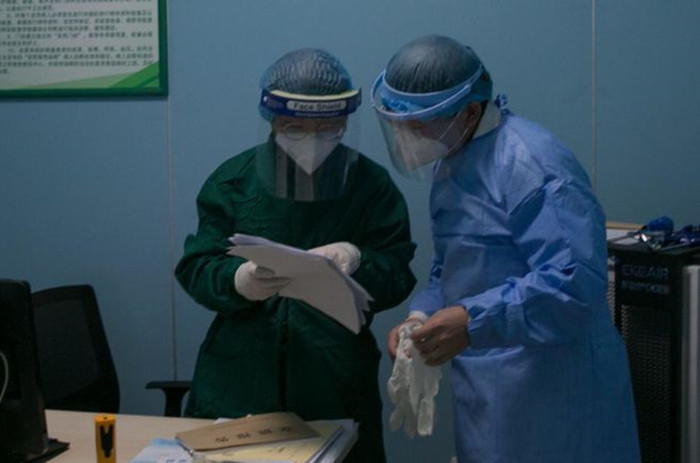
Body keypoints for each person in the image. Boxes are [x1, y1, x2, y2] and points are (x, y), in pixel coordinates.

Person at [374, 35, 640, 463]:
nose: (409, 137)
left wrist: (473, 320)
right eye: (402, 126)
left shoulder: (532, 164)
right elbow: (454, 266)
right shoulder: (453, 160)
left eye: (419, 125)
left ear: (469, 112)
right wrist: (421, 316)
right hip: (487, 388)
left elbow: (575, 283)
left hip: (553, 391)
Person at [176, 48, 416, 462]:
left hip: (334, 373)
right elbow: (197, 265)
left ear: (345, 123)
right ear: (272, 120)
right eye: (295, 127)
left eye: (327, 128)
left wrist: (358, 259)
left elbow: (396, 273)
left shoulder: (370, 185)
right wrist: (238, 281)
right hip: (240, 373)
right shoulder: (234, 181)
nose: (312, 140)